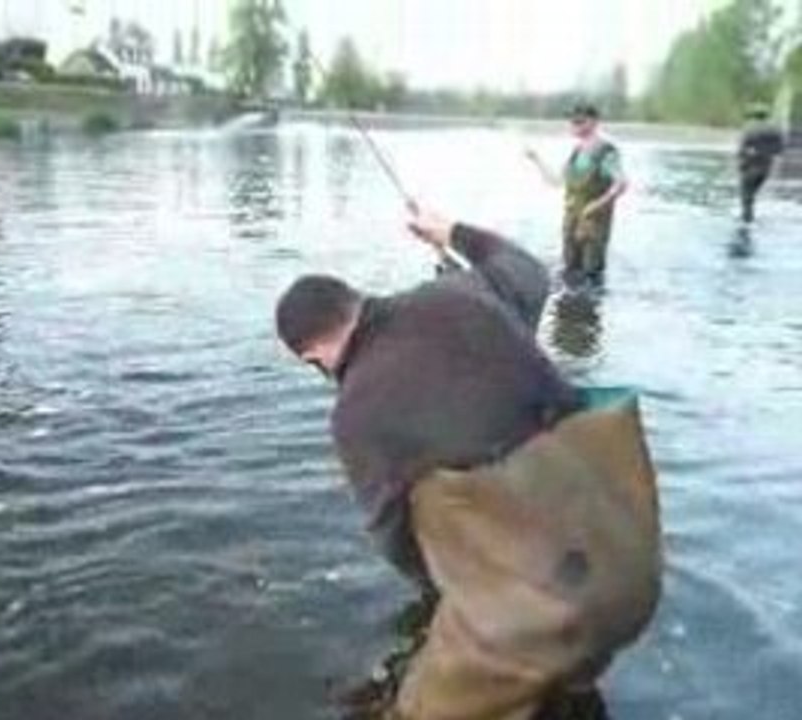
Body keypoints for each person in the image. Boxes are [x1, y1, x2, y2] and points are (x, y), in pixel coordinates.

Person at [275, 207, 662, 720]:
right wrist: (450, 232)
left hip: (538, 613)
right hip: (633, 562)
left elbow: (393, 536)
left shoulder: (355, 414)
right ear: (355, 297)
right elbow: (530, 271)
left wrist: (455, 589)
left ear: (312, 357)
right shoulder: (463, 291)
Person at [525, 103, 628, 283]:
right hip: (572, 220)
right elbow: (556, 181)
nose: (574, 124)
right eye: (572, 121)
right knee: (570, 271)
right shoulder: (576, 151)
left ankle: (592, 308)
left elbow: (621, 184)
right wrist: (536, 160)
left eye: (580, 121)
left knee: (591, 274)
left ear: (594, 122)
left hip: (594, 225)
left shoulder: (605, 151)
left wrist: (597, 205)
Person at [737, 105, 785, 223]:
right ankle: (748, 218)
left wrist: (741, 163)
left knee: (746, 197)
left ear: (754, 115)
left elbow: (742, 149)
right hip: (766, 169)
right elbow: (779, 150)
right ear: (766, 116)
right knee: (751, 195)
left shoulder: (749, 129)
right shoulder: (775, 130)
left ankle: (746, 221)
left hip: (750, 167)